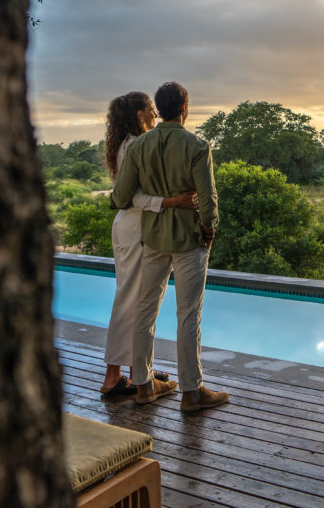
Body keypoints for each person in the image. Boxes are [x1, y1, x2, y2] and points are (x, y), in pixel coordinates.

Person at [111, 81, 229, 412]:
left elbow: (120, 197)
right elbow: (208, 199)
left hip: (152, 239)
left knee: (145, 311)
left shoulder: (138, 146)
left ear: (160, 110)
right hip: (188, 240)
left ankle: (144, 386)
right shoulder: (197, 146)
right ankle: (192, 391)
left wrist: (156, 201)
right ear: (184, 107)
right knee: (188, 314)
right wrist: (209, 229)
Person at [100, 92, 198, 395]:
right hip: (135, 227)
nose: (154, 115)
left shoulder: (130, 143)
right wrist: (174, 201)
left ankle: (138, 371)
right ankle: (113, 376)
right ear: (139, 115)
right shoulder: (132, 145)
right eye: (150, 111)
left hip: (134, 227)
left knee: (139, 300)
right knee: (131, 299)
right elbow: (131, 198)